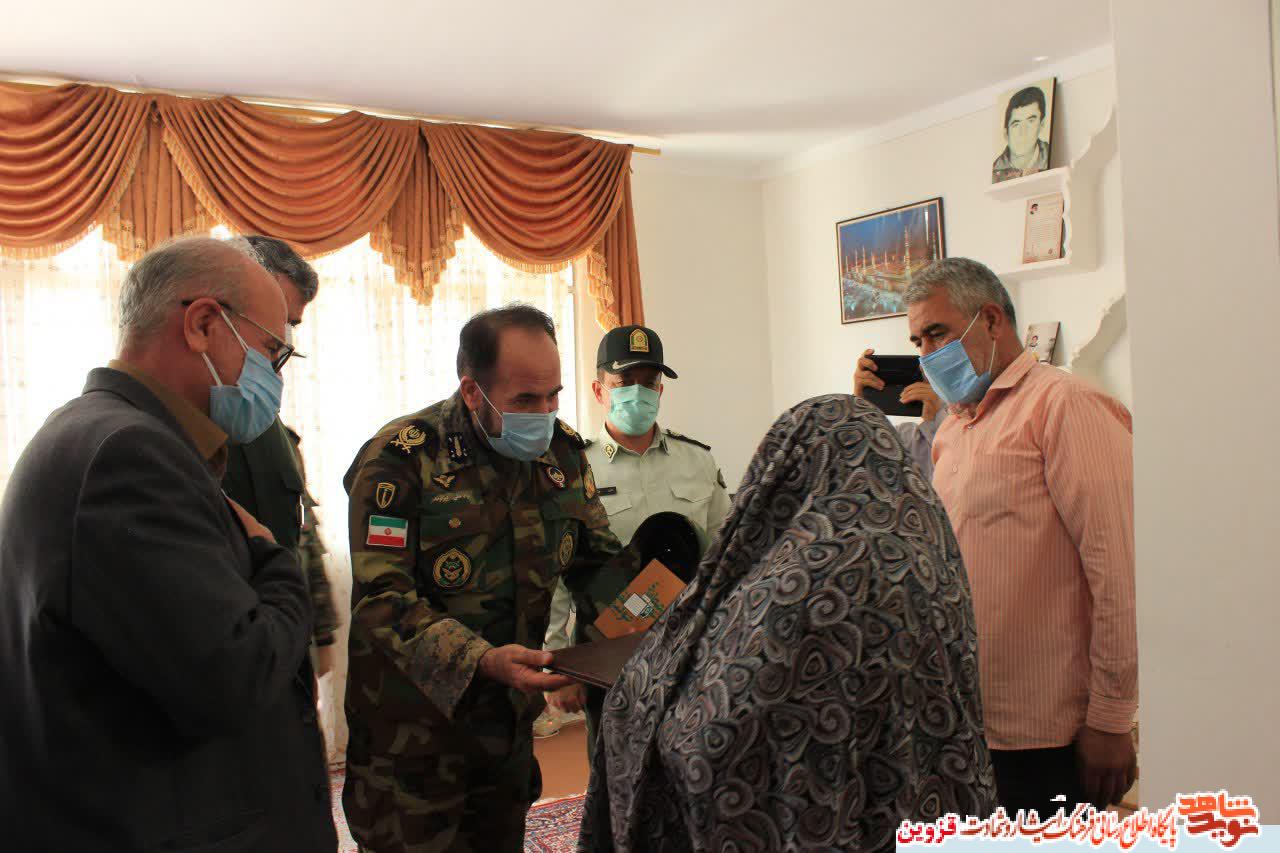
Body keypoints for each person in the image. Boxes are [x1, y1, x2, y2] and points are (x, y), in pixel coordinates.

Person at [0, 237, 336, 851]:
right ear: (203, 324)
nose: (274, 376)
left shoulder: (98, 430)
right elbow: (236, 678)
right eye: (272, 351)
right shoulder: (130, 456)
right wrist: (271, 558)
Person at [579, 395, 996, 852]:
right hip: (927, 798)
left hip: (806, 817)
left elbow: (712, 734)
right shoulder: (931, 544)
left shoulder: (803, 579)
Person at [343, 304, 640, 852]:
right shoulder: (402, 458)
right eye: (525, 399)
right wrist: (481, 659)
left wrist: (651, 613)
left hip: (506, 734)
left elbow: (598, 567)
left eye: (553, 395)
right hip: (413, 742)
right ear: (472, 391)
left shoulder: (562, 455)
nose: (544, 413)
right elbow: (383, 598)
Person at [904, 257, 1137, 815]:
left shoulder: (1064, 407)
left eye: (937, 333)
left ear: (990, 320)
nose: (926, 354)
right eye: (917, 341)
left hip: (1047, 734)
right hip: (965, 723)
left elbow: (1119, 572)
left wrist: (1111, 719)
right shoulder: (955, 429)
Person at [540, 324, 730, 746]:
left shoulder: (697, 461)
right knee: (612, 763)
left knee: (693, 757)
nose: (638, 392)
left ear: (660, 391)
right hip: (607, 650)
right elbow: (556, 577)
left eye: (649, 381)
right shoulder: (575, 468)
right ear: (598, 390)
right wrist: (558, 663)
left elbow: (727, 555)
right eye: (624, 381)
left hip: (690, 646)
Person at [222, 235, 339, 656]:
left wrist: (321, 632)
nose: (281, 346)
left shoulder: (268, 426)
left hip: (284, 645)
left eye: (288, 328)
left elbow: (301, 534)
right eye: (272, 333)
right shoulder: (165, 441)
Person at [853, 347, 947, 480]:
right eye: (919, 343)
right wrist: (858, 404)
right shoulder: (904, 436)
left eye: (937, 337)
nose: (925, 352)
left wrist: (938, 418)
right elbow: (861, 464)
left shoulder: (969, 429)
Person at [992, 86, 1051, 182]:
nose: (1023, 131)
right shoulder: (995, 170)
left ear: (1041, 124)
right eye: (1016, 124)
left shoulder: (1052, 156)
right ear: (1006, 133)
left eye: (1031, 121)